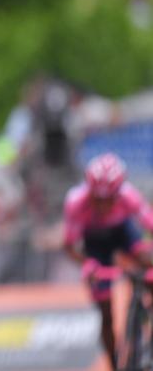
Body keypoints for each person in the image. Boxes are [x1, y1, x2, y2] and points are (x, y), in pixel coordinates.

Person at [63, 152, 153, 370]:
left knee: (146, 260)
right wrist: (87, 265)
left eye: (108, 199)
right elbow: (69, 246)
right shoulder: (76, 202)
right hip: (94, 244)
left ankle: (146, 319)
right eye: (97, 198)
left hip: (122, 234)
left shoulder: (129, 197)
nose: (103, 205)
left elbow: (149, 224)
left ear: (118, 191)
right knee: (105, 310)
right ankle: (113, 363)